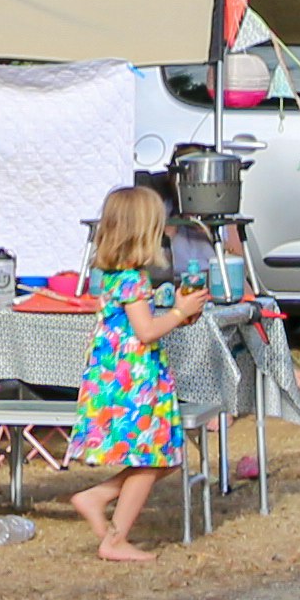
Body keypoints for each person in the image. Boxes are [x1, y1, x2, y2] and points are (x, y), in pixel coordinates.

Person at [70, 183, 207, 564]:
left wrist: (177, 311)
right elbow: (145, 331)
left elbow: (138, 323)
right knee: (153, 459)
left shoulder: (118, 276)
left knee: (164, 457)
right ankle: (115, 539)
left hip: (123, 378)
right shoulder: (132, 279)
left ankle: (97, 497)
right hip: (134, 384)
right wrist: (178, 314)